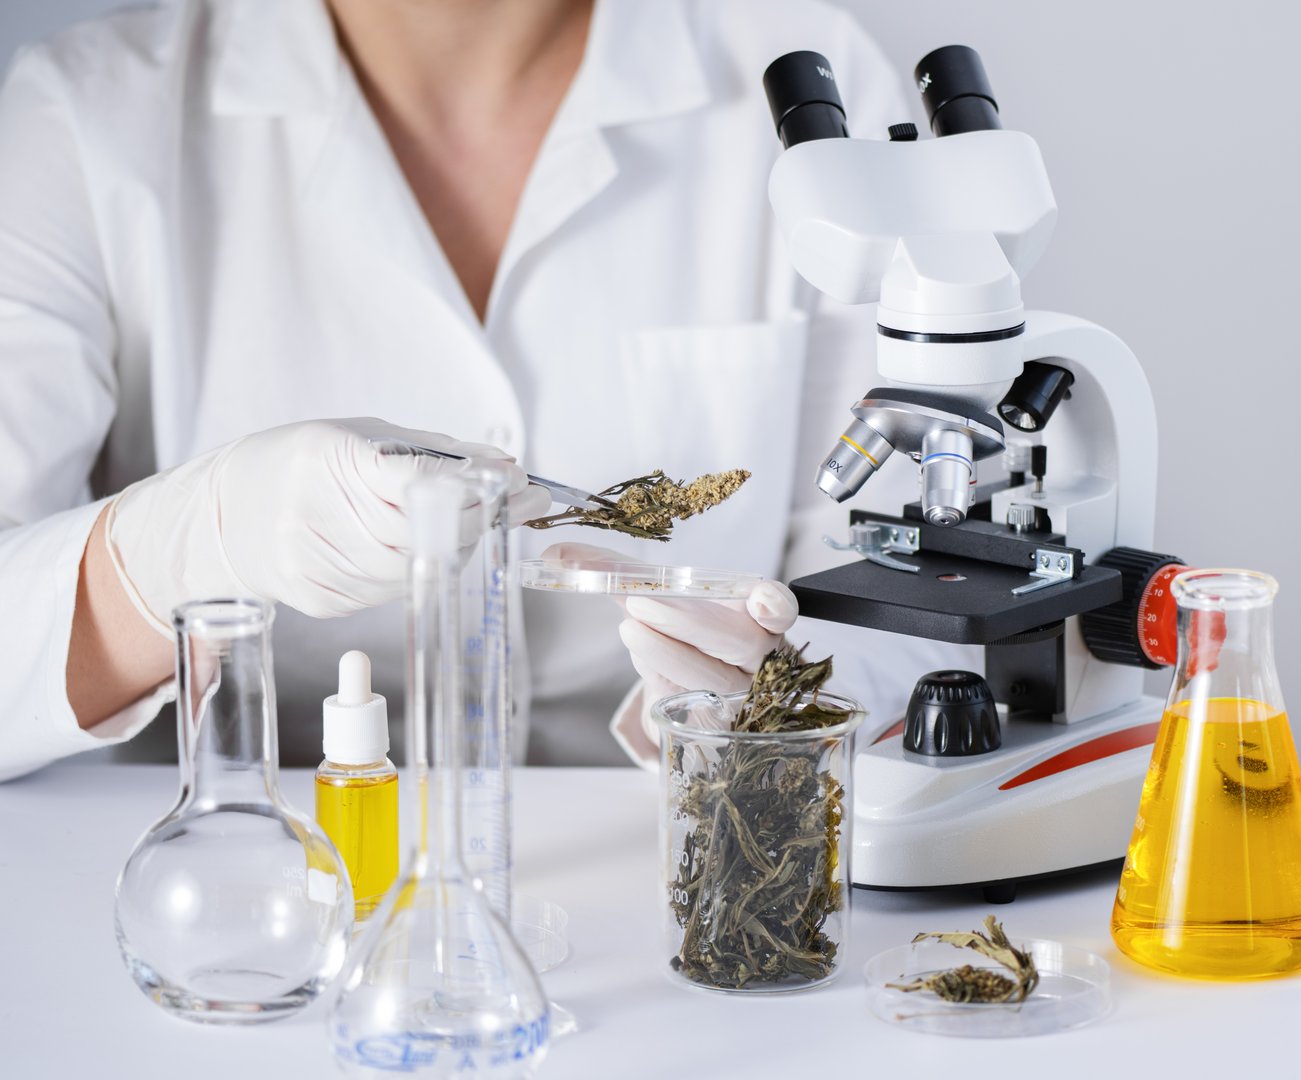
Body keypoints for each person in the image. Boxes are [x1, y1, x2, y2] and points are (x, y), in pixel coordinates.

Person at [0, 0, 964, 780]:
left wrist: (775, 701)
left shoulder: (803, 81)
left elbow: (921, 598)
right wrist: (181, 546)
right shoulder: (86, 116)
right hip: (250, 873)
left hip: (675, 853)